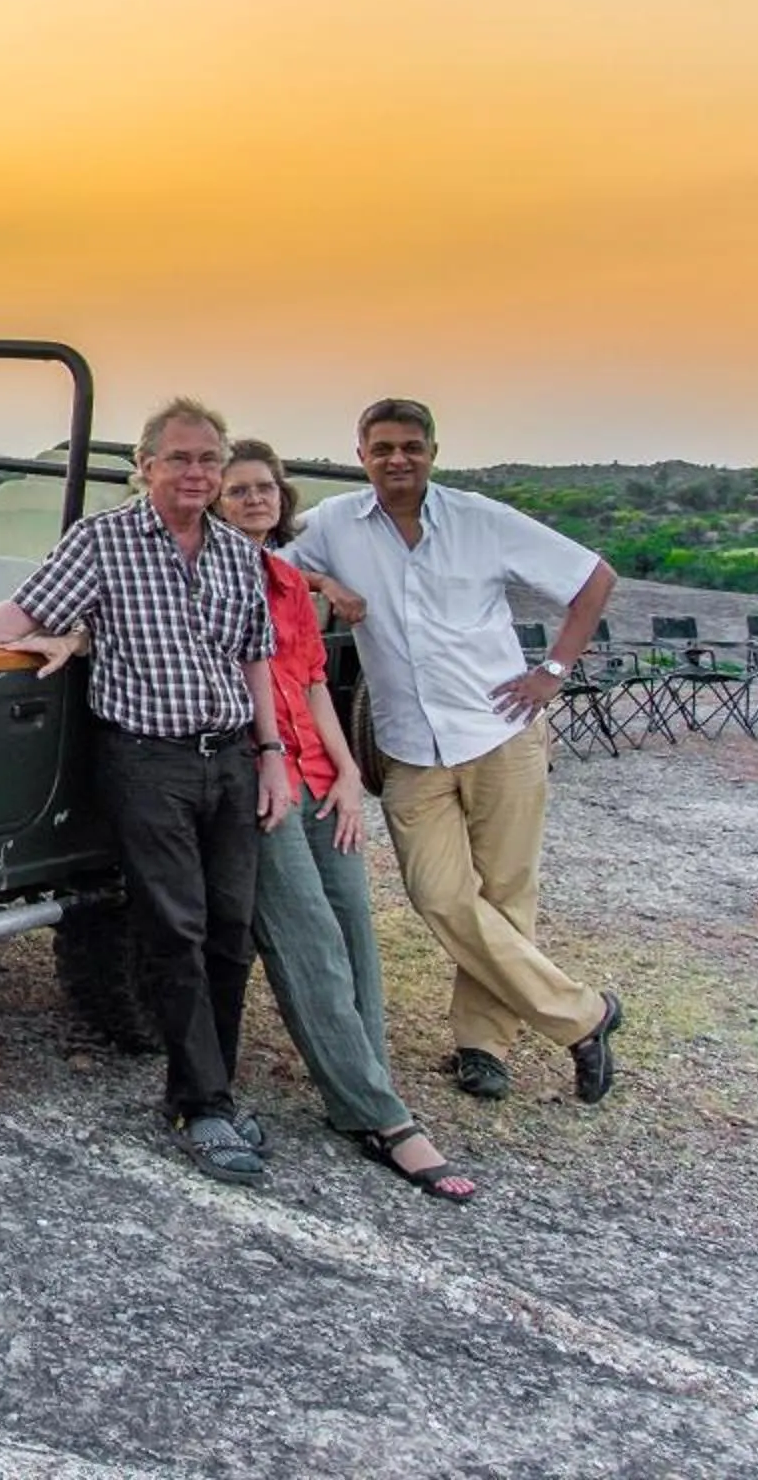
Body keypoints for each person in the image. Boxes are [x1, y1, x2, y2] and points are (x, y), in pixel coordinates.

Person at [0, 398, 296, 1184]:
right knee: (174, 927)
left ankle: (219, 1090)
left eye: (209, 459)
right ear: (144, 468)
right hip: (148, 760)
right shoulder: (104, 541)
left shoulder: (238, 554)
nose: (196, 473)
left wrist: (271, 754)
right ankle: (199, 1106)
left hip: (230, 756)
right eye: (179, 458)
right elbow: (29, 607)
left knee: (231, 931)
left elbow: (255, 659)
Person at [288, 398, 625, 1104]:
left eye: (411, 446)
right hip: (409, 745)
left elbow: (593, 579)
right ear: (361, 454)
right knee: (438, 893)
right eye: (382, 448)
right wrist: (324, 581)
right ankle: (584, 1016)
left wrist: (553, 673)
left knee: (504, 895)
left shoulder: (483, 521)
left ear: (433, 452)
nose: (397, 459)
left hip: (500, 731)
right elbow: (266, 566)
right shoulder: (333, 526)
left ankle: (483, 1047)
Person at [216, 439, 474, 1201]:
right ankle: (383, 1118)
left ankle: (369, 1084)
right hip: (257, 769)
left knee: (355, 924)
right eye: (238, 491)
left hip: (317, 766)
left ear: (282, 498)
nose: (255, 500)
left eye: (265, 488)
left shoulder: (292, 580)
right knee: (306, 938)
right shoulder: (204, 573)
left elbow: (317, 682)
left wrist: (350, 769)